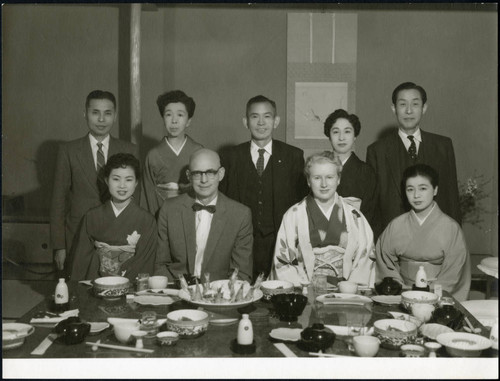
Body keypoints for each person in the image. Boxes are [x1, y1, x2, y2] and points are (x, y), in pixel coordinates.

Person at [219, 95, 308, 280]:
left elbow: (301, 204)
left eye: (267, 117)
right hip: (241, 244)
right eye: (254, 117)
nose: (261, 123)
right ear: (245, 122)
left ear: (276, 121)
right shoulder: (231, 157)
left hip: (280, 242)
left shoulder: (293, 156)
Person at [50, 90, 139, 275]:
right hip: (77, 235)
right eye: (95, 112)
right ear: (85, 114)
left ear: (114, 116)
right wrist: (59, 246)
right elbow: (58, 201)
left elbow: (135, 199)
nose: (101, 119)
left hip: (119, 237)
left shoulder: (129, 150)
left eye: (107, 113)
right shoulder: (68, 150)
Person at [366, 82, 461, 238]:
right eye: (402, 104)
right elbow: (373, 206)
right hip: (394, 239)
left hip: (437, 237)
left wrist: (456, 240)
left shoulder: (443, 146)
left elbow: (452, 198)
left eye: (415, 104)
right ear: (393, 109)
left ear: (424, 108)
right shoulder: (377, 150)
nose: (409, 110)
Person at [270, 151, 376, 288]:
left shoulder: (355, 216)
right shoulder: (293, 215)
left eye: (330, 177)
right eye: (317, 178)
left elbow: (365, 257)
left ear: (338, 179)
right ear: (308, 181)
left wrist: (349, 288)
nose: (324, 184)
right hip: (305, 289)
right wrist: (301, 288)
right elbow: (283, 261)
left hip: (345, 291)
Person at [155, 148, 253, 282]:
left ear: (221, 174)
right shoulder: (169, 209)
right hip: (176, 291)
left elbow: (241, 273)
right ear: (189, 175)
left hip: (220, 295)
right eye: (197, 173)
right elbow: (160, 265)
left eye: (210, 172)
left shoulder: (240, 214)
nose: (204, 180)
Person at [375, 164, 470, 301]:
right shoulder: (396, 225)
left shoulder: (451, 228)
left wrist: (429, 297)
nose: (416, 195)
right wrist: (400, 290)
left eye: (423, 188)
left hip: (437, 295)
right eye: (410, 189)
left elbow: (454, 274)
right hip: (402, 293)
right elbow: (385, 263)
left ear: (435, 190)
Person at [70, 153, 157, 281]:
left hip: (130, 282)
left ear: (136, 182)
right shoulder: (92, 216)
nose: (122, 185)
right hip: (96, 279)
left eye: (128, 179)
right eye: (116, 179)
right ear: (106, 180)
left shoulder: (147, 220)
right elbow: (81, 259)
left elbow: (145, 260)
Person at [141, 90, 203, 216]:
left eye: (180, 115)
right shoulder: (153, 155)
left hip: (193, 215)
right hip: (162, 215)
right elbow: (147, 196)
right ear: (163, 118)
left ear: (189, 121)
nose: (174, 121)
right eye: (168, 115)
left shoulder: (199, 151)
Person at [324, 109, 377, 227]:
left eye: (347, 132)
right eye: (336, 132)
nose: (341, 138)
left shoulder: (366, 172)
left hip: (356, 236)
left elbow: (370, 214)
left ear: (355, 136)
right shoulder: (318, 168)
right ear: (329, 135)